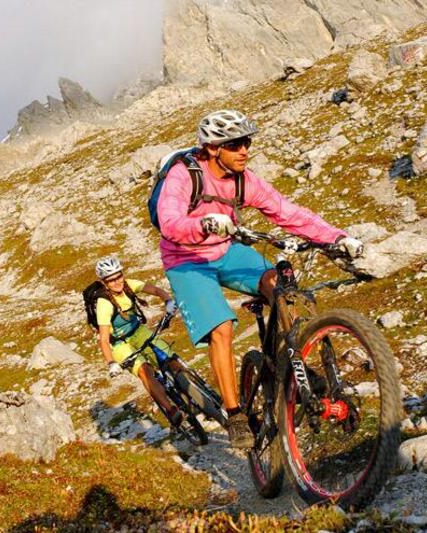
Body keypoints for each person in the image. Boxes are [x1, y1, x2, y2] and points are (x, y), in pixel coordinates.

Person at [155, 109, 364, 448]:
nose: (244, 151)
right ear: (211, 148)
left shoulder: (243, 179)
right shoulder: (184, 175)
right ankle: (236, 414)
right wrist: (204, 224)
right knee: (221, 329)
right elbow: (170, 223)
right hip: (186, 260)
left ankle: (296, 361)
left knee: (280, 285)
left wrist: (337, 238)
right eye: (235, 144)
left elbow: (287, 212)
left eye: (247, 142)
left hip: (225, 249)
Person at [93, 256, 187, 425]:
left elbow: (156, 290)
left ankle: (193, 394)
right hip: (119, 343)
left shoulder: (129, 285)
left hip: (138, 331)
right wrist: (110, 362)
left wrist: (168, 301)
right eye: (111, 280)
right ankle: (171, 409)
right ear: (104, 283)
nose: (117, 282)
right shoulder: (104, 304)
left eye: (118, 276)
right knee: (145, 371)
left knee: (170, 359)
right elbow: (104, 339)